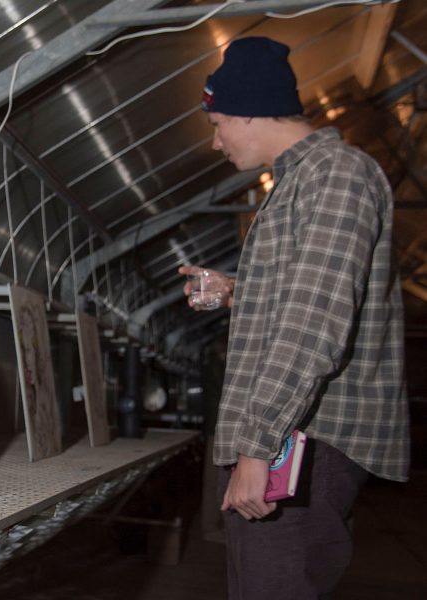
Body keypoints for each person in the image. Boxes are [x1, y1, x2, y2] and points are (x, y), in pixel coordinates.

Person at [179, 36, 409, 599]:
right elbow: (309, 295)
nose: (216, 142)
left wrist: (258, 447)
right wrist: (239, 293)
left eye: (218, 123)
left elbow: (314, 323)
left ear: (250, 111)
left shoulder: (334, 175)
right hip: (293, 432)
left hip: (305, 439)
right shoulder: (304, 181)